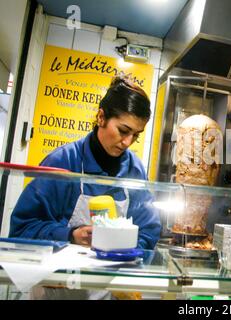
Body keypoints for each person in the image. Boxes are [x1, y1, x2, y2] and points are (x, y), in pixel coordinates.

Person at [9, 76, 161, 249]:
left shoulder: (135, 170)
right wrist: (70, 235)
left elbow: (149, 230)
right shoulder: (63, 161)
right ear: (101, 117)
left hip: (114, 272)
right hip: (64, 273)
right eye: (123, 130)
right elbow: (23, 228)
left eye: (136, 135)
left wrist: (127, 249)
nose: (127, 142)